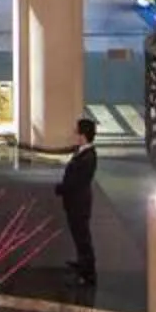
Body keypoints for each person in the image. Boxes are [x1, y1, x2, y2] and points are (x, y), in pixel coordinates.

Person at [56, 115, 100, 285]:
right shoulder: (82, 152)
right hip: (75, 203)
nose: (74, 134)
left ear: (83, 135)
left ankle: (88, 273)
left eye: (76, 132)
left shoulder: (88, 157)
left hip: (79, 204)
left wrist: (61, 189)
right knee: (79, 236)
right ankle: (82, 263)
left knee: (83, 237)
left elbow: (77, 183)